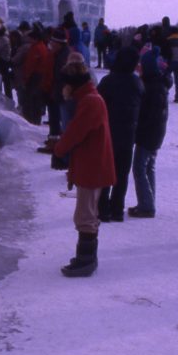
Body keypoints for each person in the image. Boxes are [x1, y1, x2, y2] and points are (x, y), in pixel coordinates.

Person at [52, 55, 115, 277]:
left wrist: (59, 151)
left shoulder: (90, 101)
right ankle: (87, 256)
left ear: (73, 83)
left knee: (85, 215)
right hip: (92, 163)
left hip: (92, 166)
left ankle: (86, 258)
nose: (64, 89)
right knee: (88, 212)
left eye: (66, 84)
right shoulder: (89, 98)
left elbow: (75, 132)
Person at [97, 47, 144, 222]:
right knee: (122, 173)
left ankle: (102, 209)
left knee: (105, 171)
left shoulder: (108, 81)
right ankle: (117, 209)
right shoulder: (137, 82)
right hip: (129, 133)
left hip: (108, 133)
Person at [128, 47, 171, 218]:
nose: (139, 68)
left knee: (139, 168)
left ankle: (147, 205)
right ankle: (148, 202)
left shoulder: (152, 88)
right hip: (156, 134)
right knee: (148, 168)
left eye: (141, 65)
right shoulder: (158, 84)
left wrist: (137, 130)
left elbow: (147, 115)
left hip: (149, 135)